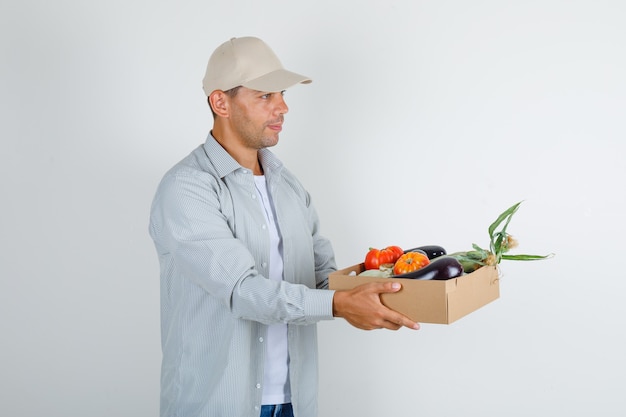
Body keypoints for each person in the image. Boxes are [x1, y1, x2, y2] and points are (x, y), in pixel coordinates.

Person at [149, 36, 420, 417]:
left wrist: (396, 283)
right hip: (216, 404)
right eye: (265, 96)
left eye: (282, 94)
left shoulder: (287, 185)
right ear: (220, 102)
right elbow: (243, 291)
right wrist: (341, 305)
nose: (283, 107)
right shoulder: (187, 188)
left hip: (293, 403)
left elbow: (322, 279)